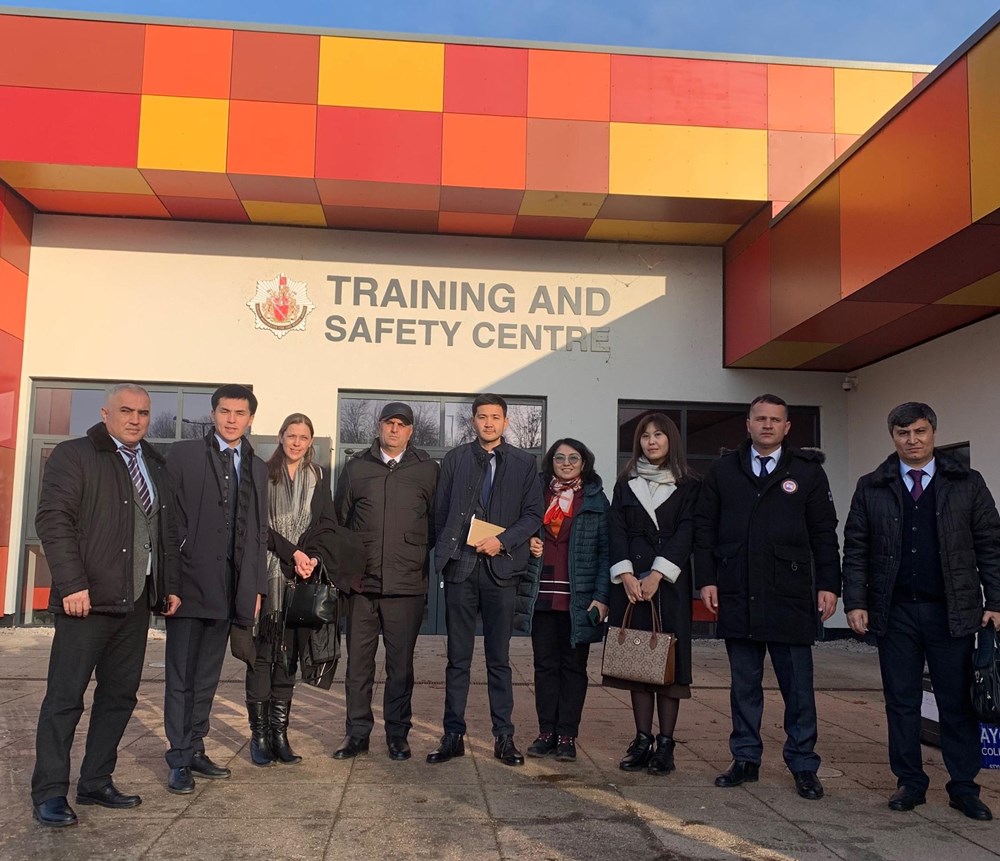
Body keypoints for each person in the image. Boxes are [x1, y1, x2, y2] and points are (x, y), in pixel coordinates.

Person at [31, 384, 181, 827]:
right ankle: (50, 791)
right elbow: (53, 520)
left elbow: (163, 531)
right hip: (86, 601)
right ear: (105, 412)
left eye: (143, 412)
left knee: (119, 696)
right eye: (126, 410)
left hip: (134, 601)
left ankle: (96, 780)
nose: (135, 419)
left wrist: (167, 585)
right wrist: (72, 583)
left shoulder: (154, 462)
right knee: (65, 698)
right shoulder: (74, 455)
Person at [843, 402, 1000, 820]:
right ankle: (910, 782)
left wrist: (997, 602)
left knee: (957, 702)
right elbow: (856, 548)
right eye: (902, 433)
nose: (912, 440)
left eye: (919, 431)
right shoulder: (872, 485)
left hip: (952, 612)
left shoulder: (966, 482)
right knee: (901, 701)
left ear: (933, 432)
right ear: (892, 437)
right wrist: (855, 602)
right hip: (894, 613)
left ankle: (964, 787)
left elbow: (990, 545)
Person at [695, 393, 840, 800]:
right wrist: (706, 579)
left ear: (787, 427)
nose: (767, 425)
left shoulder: (807, 473)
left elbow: (825, 533)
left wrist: (829, 585)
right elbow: (705, 528)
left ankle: (803, 764)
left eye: (775, 420)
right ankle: (745, 758)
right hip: (738, 590)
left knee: (798, 688)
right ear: (748, 423)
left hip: (792, 594)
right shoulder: (723, 470)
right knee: (744, 685)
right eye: (760, 418)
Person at [427, 394, 544, 766]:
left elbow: (533, 515)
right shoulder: (456, 459)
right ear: (473, 421)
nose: (489, 423)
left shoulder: (526, 464)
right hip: (461, 568)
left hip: (502, 569)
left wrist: (503, 540)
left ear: (506, 422)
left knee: (499, 659)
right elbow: (440, 512)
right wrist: (448, 550)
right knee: (457, 659)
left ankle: (504, 737)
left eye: (495, 417)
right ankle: (453, 735)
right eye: (482, 417)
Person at [163, 384, 269, 794]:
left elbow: (259, 533)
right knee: (181, 676)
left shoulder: (256, 466)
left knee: (207, 676)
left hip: (231, 588)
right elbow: (168, 524)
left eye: (240, 413)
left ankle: (195, 747)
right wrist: (170, 582)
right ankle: (178, 758)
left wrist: (256, 588)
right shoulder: (185, 455)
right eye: (224, 411)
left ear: (250, 419)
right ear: (213, 414)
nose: (231, 419)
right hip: (189, 586)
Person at [333, 402, 439, 761]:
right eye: (388, 423)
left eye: (401, 424)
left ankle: (397, 735)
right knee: (358, 665)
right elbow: (341, 521)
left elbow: (435, 526)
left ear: (411, 431)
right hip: (362, 587)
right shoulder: (356, 468)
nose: (394, 429)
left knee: (400, 667)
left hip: (407, 586)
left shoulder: (427, 470)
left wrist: (410, 554)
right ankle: (357, 734)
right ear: (379, 427)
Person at [604, 414, 700, 775]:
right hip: (631, 585)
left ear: (670, 439)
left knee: (670, 668)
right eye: (645, 436)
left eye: (658, 435)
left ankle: (666, 745)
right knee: (637, 663)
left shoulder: (690, 484)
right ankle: (642, 739)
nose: (651, 441)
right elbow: (615, 530)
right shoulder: (625, 482)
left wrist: (658, 573)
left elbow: (688, 531)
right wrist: (626, 574)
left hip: (669, 584)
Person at [246, 413, 330, 767]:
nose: (297, 442)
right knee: (263, 657)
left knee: (288, 659)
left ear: (311, 442)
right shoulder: (262, 474)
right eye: (291, 435)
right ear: (280, 437)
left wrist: (309, 557)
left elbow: (326, 523)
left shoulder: (318, 477)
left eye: (304, 437)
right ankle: (260, 737)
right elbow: (257, 526)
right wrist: (292, 552)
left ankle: (280, 735)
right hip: (268, 576)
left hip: (301, 579)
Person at [524, 438, 610, 762]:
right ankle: (546, 731)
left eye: (573, 458)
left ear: (584, 463)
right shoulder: (537, 496)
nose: (566, 462)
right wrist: (529, 541)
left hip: (580, 601)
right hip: (542, 596)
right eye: (560, 457)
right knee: (544, 667)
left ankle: (567, 736)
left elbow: (606, 553)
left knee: (573, 669)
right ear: (552, 462)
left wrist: (602, 597)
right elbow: (521, 530)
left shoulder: (596, 501)